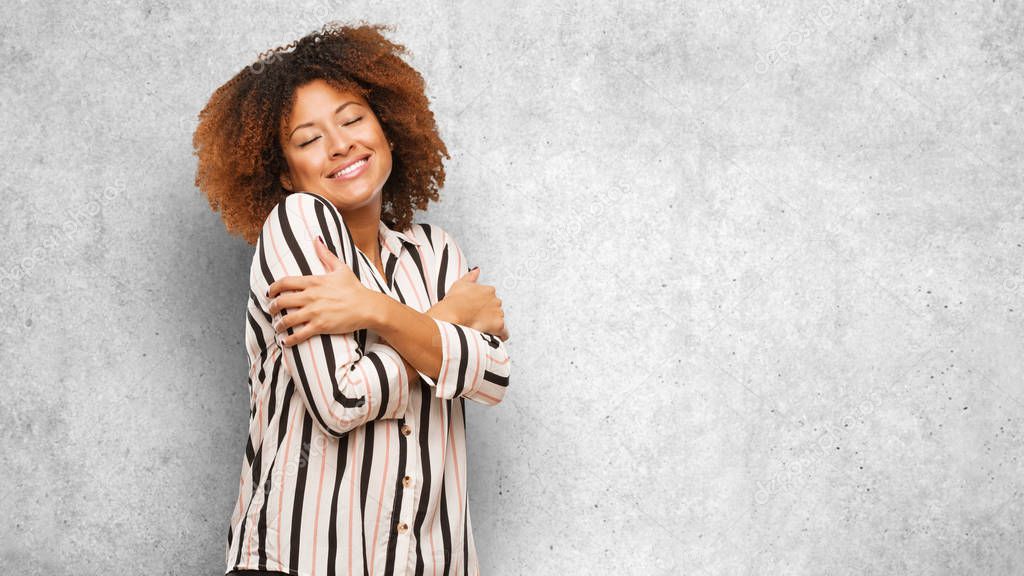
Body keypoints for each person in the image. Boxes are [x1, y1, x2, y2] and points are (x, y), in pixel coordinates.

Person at [192, 21, 512, 576]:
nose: (340, 145)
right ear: (286, 173)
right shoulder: (298, 224)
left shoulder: (434, 251)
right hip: (301, 560)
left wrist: (372, 310)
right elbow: (339, 400)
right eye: (309, 139)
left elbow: (491, 375)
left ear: (386, 126)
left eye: (352, 119)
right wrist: (445, 324)